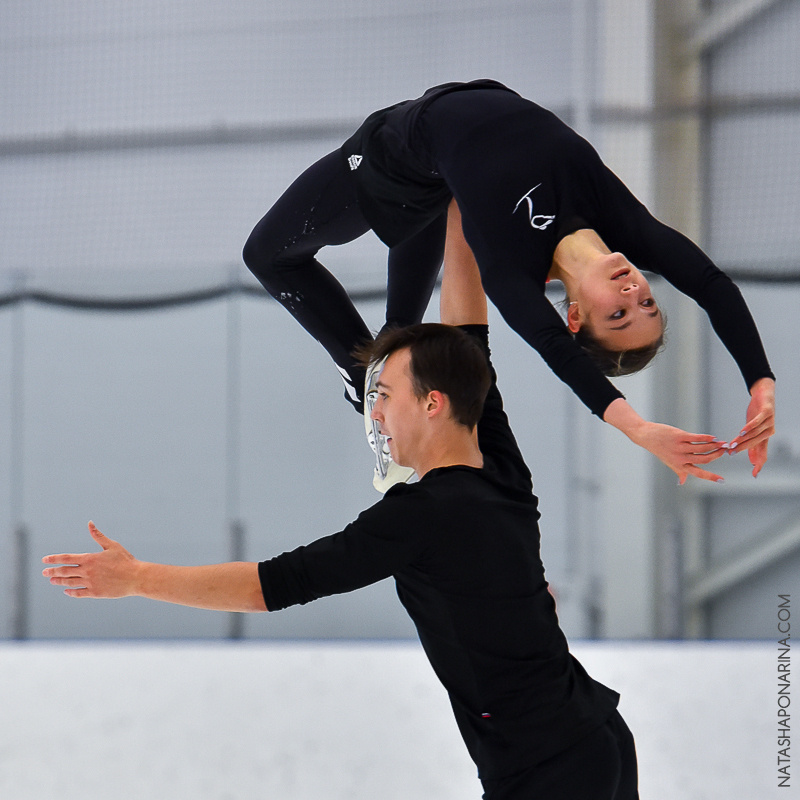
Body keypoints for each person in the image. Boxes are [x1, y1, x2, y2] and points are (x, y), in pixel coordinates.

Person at [42, 253, 639, 799]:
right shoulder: (499, 468)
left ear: (432, 404)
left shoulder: (421, 514)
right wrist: (461, 203)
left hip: (548, 771)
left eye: (382, 393)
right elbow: (467, 336)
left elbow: (271, 585)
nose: (373, 410)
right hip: (598, 737)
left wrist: (137, 577)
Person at [242, 79, 775, 485]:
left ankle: (370, 388)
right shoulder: (622, 224)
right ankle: (379, 398)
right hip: (443, 174)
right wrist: (760, 384)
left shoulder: (509, 266)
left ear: (573, 316)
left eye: (618, 314)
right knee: (397, 343)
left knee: (267, 255)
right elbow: (711, 284)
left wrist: (635, 427)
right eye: (647, 305)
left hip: (398, 159)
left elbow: (555, 352)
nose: (633, 293)